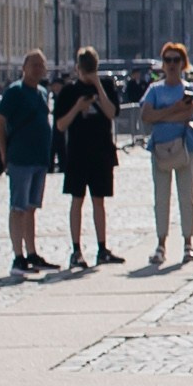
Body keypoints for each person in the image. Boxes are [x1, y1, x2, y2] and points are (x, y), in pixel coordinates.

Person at [55, 49, 122, 267]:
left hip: (101, 152)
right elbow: (60, 125)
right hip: (77, 153)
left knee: (99, 200)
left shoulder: (107, 87)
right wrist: (77, 107)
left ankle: (102, 248)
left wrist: (98, 86)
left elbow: (112, 112)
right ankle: (76, 250)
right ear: (78, 69)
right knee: (77, 200)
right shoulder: (69, 92)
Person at [0, 49, 56, 276]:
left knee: (31, 208)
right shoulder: (15, 92)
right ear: (24, 67)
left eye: (41, 65)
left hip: (39, 159)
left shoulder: (41, 92)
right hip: (20, 158)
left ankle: (32, 253)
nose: (38, 69)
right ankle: (18, 257)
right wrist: (3, 152)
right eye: (34, 65)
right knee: (18, 207)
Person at [139, 41, 193, 267]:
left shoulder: (189, 89)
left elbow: (190, 114)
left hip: (184, 147)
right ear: (163, 64)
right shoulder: (155, 89)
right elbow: (146, 115)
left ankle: (188, 242)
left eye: (176, 60)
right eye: (168, 60)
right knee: (161, 198)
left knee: (186, 197)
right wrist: (174, 111)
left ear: (183, 63)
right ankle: (161, 243)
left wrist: (163, 115)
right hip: (160, 148)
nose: (172, 65)